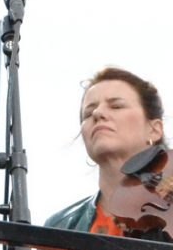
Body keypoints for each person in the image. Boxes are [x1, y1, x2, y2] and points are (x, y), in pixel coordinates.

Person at [45, 67, 167, 238]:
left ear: (154, 130)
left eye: (116, 106)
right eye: (88, 113)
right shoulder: (60, 227)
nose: (98, 113)